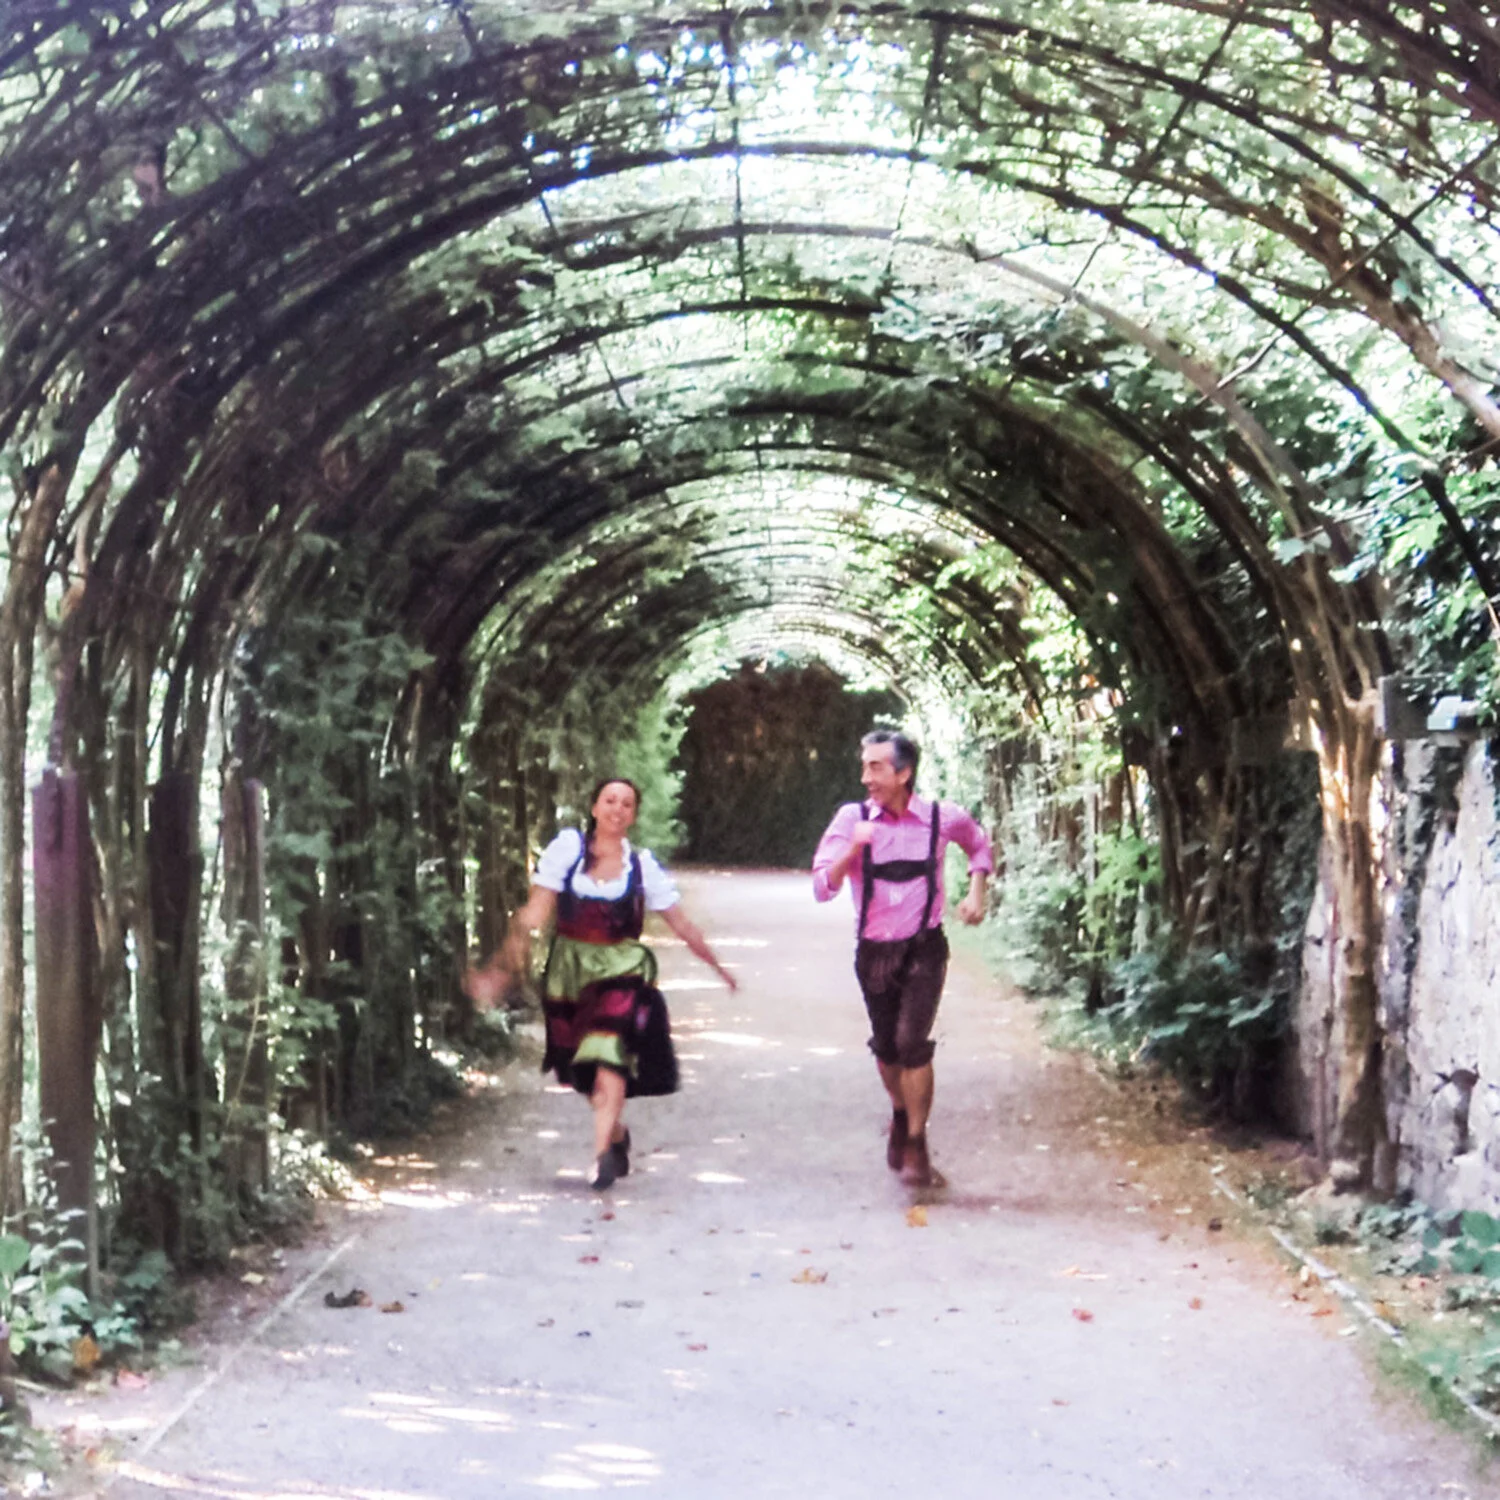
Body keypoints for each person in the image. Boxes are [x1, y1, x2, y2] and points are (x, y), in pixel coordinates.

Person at [466, 777, 738, 1190]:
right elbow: (534, 913)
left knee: (609, 1049)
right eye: (610, 800)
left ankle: (600, 1160)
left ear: (634, 815)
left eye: (627, 803)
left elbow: (681, 923)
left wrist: (717, 967)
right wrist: (502, 968)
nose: (617, 809)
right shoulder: (567, 852)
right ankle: (615, 1134)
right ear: (594, 808)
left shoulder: (642, 867)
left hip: (623, 969)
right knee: (581, 1069)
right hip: (570, 974)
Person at [812, 730, 993, 1187]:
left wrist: (977, 892)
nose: (866, 777)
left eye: (876, 767)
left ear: (904, 773)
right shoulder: (851, 818)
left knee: (913, 1042)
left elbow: (979, 844)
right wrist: (853, 848)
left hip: (924, 947)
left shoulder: (941, 818)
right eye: (864, 766)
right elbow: (822, 887)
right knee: (887, 1047)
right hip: (874, 951)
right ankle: (899, 1111)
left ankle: (916, 1140)